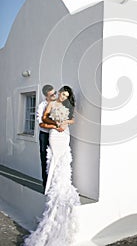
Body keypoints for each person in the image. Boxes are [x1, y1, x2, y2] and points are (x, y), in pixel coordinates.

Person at [25, 86, 80, 246]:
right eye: (62, 93)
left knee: (64, 160)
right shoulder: (48, 104)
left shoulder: (66, 106)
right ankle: (49, 185)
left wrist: (65, 122)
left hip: (65, 134)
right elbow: (43, 120)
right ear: (58, 92)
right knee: (51, 159)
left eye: (65, 95)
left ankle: (62, 184)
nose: (62, 96)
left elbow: (72, 119)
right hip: (53, 134)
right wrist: (56, 124)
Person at [36, 84, 57, 192]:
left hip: (57, 135)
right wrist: (54, 125)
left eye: (55, 93)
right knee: (45, 159)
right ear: (46, 96)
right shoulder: (42, 106)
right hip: (45, 135)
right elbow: (40, 123)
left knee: (56, 159)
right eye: (52, 95)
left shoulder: (58, 104)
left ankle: (55, 185)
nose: (54, 95)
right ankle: (46, 186)